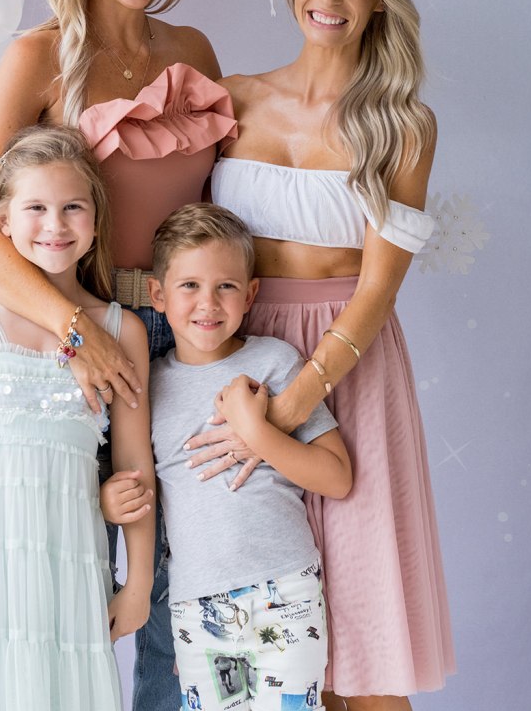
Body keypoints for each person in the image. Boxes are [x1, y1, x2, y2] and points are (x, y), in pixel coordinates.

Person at [0, 0, 235, 711]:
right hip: (87, 333)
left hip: (190, 339)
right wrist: (78, 332)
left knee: (184, 574)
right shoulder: (38, 56)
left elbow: (214, 209)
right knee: (73, 564)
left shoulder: (194, 50)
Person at [187, 0, 455, 710]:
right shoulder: (231, 100)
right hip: (240, 359)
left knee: (364, 639)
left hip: (350, 366)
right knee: (271, 638)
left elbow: (378, 286)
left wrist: (299, 397)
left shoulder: (403, 124)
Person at [0, 125, 155, 711]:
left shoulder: (122, 332)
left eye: (73, 207)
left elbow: (134, 465)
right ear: (3, 221)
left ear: (96, 222)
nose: (55, 225)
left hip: (67, 562)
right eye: (35, 207)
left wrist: (138, 582)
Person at [145, 202, 352, 709]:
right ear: (158, 295)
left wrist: (257, 432)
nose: (208, 303)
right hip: (198, 604)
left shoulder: (275, 361)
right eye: (189, 285)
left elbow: (336, 477)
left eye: (226, 286)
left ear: (251, 294)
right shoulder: (148, 386)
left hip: (285, 590)